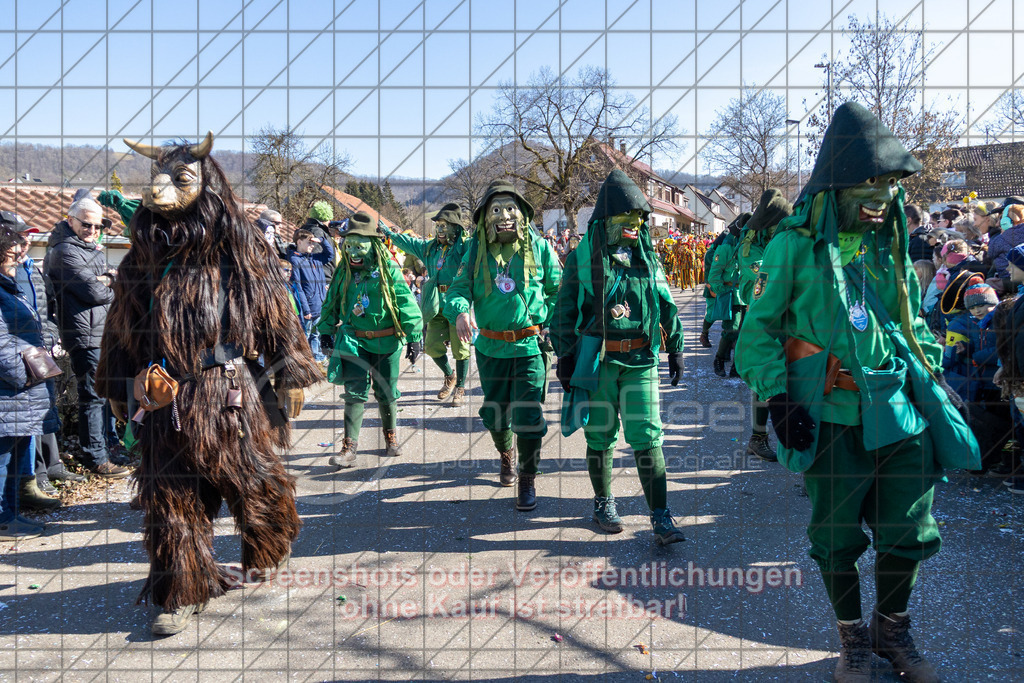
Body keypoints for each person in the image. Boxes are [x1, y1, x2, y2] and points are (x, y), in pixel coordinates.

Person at [736, 102, 964, 683]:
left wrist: (933, 376)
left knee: (909, 531)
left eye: (889, 183)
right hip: (832, 415)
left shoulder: (889, 247)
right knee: (835, 539)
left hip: (897, 413)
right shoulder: (792, 247)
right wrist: (778, 398)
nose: (882, 195)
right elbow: (756, 332)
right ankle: (852, 640)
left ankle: (894, 633)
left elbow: (910, 326)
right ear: (835, 185)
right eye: (868, 182)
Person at [552, 169, 685, 544]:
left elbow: (664, 300)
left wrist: (675, 347)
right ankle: (603, 502)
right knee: (601, 437)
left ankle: (661, 516)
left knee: (647, 437)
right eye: (628, 218)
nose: (636, 224)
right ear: (607, 218)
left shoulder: (647, 254)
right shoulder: (583, 255)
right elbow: (563, 309)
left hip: (640, 359)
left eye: (640, 218)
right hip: (600, 363)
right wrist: (565, 356)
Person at [444, 180, 562, 510]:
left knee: (528, 416)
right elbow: (456, 291)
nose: (505, 216)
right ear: (486, 218)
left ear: (522, 214)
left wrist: (546, 321)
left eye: (511, 209)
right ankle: (505, 453)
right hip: (491, 349)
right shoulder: (475, 251)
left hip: (528, 347)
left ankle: (527, 477)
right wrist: (459, 313)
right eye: (497, 210)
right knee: (495, 417)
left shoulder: (538, 247)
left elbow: (557, 289)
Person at [319, 212, 423, 466]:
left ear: (373, 246)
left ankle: (390, 437)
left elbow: (407, 304)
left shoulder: (389, 272)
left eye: (359, 247)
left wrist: (414, 337)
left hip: (387, 342)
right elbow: (332, 301)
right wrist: (325, 330)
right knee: (354, 393)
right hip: (354, 341)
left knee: (386, 393)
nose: (353, 252)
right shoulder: (344, 272)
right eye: (349, 245)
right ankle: (349, 448)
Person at [42, 198, 128, 478]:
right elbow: (95, 293)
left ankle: (103, 450)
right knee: (92, 397)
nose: (93, 229)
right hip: (84, 334)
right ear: (70, 221)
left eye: (98, 225)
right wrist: (109, 281)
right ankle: (96, 458)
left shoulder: (86, 248)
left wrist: (107, 280)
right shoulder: (65, 251)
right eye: (86, 224)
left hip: (98, 332)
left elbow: (105, 284)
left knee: (102, 396)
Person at [0, 226, 61, 539]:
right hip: (10, 388)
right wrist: (25, 372)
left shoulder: (9, 286)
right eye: (10, 256)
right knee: (1, 458)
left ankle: (10, 515)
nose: (18, 258)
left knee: (11, 455)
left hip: (21, 390)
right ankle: (2, 518)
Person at [378, 203, 472, 406]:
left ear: (456, 227)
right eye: (438, 225)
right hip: (434, 304)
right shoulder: (430, 249)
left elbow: (481, 242)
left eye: (445, 225)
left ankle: (461, 387)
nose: (440, 229)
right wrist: (388, 233)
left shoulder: (465, 246)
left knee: (461, 348)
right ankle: (450, 375)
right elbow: (408, 242)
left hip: (456, 303)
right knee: (431, 346)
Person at [287, 227, 335, 362]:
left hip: (320, 304)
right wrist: (306, 309)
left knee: (317, 334)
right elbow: (298, 287)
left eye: (313, 243)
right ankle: (303, 360)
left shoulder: (315, 258)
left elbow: (330, 255)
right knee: (305, 335)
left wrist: (322, 241)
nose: (312, 245)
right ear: (299, 242)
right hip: (308, 306)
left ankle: (318, 359)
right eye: (309, 242)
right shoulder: (295, 261)